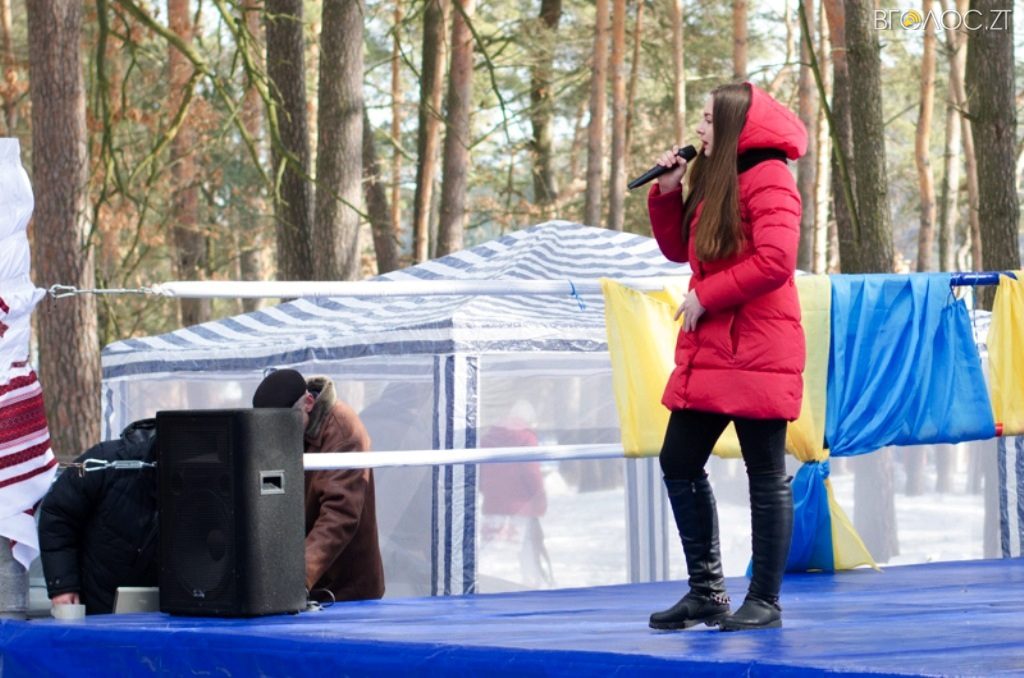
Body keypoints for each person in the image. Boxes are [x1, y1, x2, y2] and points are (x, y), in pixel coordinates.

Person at [645, 82, 806, 631]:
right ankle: (707, 592)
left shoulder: (771, 178)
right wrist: (668, 191)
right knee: (678, 460)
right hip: (714, 347)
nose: (699, 128)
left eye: (710, 120)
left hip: (759, 346)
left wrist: (706, 296)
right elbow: (681, 250)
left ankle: (764, 601)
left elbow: (776, 260)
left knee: (765, 473)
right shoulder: (719, 176)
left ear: (738, 124)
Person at [252, 369, 384, 603]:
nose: (277, 434)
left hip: (345, 591)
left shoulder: (344, 430)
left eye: (284, 424)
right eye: (270, 427)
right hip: (304, 583)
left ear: (309, 403)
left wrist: (295, 578)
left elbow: (339, 515)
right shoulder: (290, 427)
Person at [38, 419, 159, 615]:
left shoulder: (204, 474)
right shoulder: (104, 461)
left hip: (176, 612)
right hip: (96, 605)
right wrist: (63, 586)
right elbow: (58, 517)